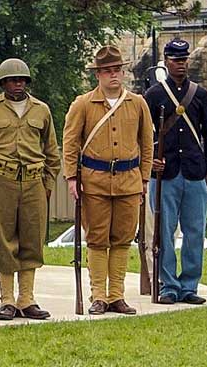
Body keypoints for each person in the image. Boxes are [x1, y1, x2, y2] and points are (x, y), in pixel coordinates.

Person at [0, 58, 61, 320]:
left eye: (22, 80)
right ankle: (7, 300)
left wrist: (48, 183)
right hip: (3, 181)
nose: (17, 84)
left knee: (32, 239)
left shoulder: (42, 110)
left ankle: (26, 299)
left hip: (34, 182)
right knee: (4, 241)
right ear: (3, 83)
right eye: (12, 80)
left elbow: (52, 152)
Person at [62, 45, 153, 315]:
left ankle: (117, 295)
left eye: (117, 70)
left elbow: (147, 143)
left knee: (123, 239)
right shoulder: (83, 104)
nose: (113, 75)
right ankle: (98, 295)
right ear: (98, 75)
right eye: (107, 71)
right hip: (95, 181)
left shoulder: (137, 103)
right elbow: (70, 141)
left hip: (128, 180)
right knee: (98, 239)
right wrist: (70, 176)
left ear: (122, 73)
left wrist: (144, 178)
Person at [143, 39, 207, 305]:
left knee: (194, 232)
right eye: (175, 59)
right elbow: (141, 136)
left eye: (183, 59)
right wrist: (149, 161)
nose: (181, 64)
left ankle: (189, 286)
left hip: (195, 172)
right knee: (164, 232)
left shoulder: (199, 94)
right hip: (164, 173)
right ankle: (168, 285)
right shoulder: (154, 95)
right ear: (166, 60)